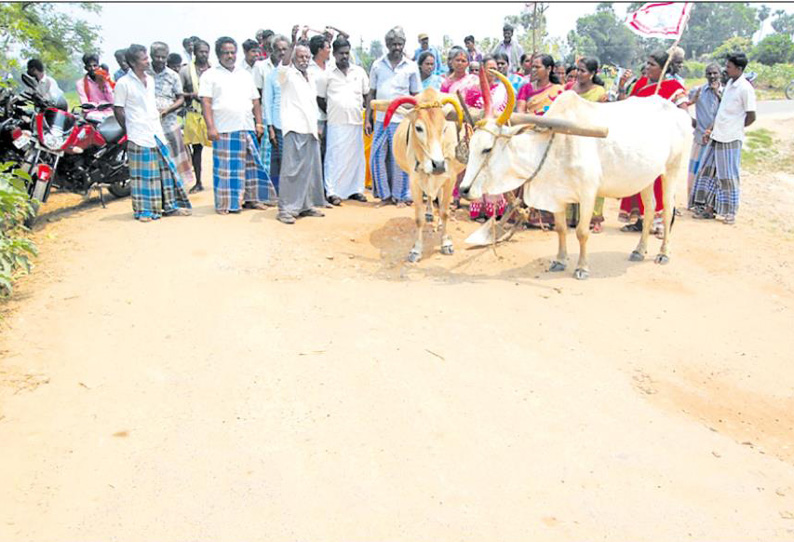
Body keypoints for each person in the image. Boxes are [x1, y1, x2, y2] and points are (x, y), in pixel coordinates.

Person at [113, 44, 191, 222]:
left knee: (165, 171)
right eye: (144, 58)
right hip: (138, 134)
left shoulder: (150, 80)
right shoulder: (123, 83)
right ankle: (145, 211)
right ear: (133, 62)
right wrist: (129, 130)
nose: (148, 61)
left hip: (156, 131)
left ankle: (170, 206)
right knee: (144, 176)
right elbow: (118, 110)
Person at [199, 36, 276, 214]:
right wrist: (211, 127)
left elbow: (256, 101)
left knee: (252, 166)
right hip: (224, 129)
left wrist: (259, 123)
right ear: (218, 55)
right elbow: (206, 103)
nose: (230, 56)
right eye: (225, 53)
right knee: (227, 171)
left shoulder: (244, 74)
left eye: (232, 52)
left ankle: (252, 200)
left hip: (247, 127)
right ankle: (227, 204)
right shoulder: (210, 75)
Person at [617, 50, 688, 233]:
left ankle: (661, 225)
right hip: (639, 144)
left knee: (660, 185)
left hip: (661, 145)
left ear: (664, 68)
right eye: (647, 63)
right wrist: (622, 87)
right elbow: (625, 108)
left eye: (652, 65)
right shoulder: (640, 84)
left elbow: (683, 115)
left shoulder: (674, 87)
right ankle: (640, 221)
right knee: (640, 182)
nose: (647, 67)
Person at [690, 52, 756, 225]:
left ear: (739, 69)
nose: (725, 69)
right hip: (716, 135)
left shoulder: (745, 88)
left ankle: (730, 212)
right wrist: (710, 129)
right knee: (709, 172)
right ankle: (708, 209)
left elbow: (751, 116)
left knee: (728, 176)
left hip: (731, 138)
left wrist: (735, 128)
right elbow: (721, 111)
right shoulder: (729, 86)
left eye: (729, 67)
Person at [275, 26, 326, 224]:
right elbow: (284, 63)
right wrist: (293, 40)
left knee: (308, 170)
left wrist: (317, 126)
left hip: (310, 129)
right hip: (293, 128)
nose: (304, 60)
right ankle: (285, 210)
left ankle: (305, 206)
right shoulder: (286, 75)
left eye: (306, 57)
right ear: (294, 58)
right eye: (300, 57)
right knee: (291, 171)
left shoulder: (310, 76)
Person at [365, 26, 420, 206]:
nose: (397, 47)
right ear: (387, 45)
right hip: (381, 118)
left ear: (404, 44)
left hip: (402, 119)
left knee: (400, 158)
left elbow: (416, 95)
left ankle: (401, 196)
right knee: (376, 156)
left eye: (400, 44)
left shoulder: (411, 66)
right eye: (393, 44)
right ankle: (384, 195)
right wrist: (368, 119)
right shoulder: (377, 65)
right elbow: (371, 93)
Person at [317, 37, 370, 206]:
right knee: (334, 157)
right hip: (335, 122)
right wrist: (334, 110)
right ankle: (332, 192)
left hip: (355, 121)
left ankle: (356, 190)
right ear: (334, 54)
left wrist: (367, 118)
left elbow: (367, 95)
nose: (344, 57)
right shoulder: (327, 75)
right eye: (341, 54)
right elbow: (320, 98)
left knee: (356, 157)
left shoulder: (359, 72)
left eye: (347, 53)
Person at [462, 56, 509, 221]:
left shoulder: (503, 90)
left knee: (495, 171)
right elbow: (469, 115)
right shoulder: (473, 90)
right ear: (482, 70)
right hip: (478, 137)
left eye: (495, 68)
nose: (493, 72)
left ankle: (494, 210)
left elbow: (507, 114)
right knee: (477, 170)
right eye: (489, 68)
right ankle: (477, 208)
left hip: (496, 138)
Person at [567, 57, 607, 233]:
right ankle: (572, 216)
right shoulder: (569, 89)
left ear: (592, 74)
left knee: (593, 180)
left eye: (583, 70)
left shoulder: (600, 93)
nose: (578, 73)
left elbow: (602, 118)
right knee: (571, 178)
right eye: (578, 69)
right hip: (570, 139)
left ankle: (594, 218)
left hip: (592, 142)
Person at [150, 42, 196, 191]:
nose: (160, 60)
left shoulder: (172, 75)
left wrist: (167, 110)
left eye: (163, 57)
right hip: (150, 123)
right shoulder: (145, 74)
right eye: (157, 56)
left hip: (169, 122)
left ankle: (178, 187)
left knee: (175, 154)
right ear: (151, 56)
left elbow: (180, 98)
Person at [685, 63, 722, 204]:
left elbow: (726, 111)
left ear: (720, 74)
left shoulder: (725, 93)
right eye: (709, 73)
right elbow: (683, 104)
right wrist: (692, 121)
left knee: (711, 174)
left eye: (715, 73)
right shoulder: (698, 91)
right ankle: (692, 201)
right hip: (700, 138)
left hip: (717, 140)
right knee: (694, 172)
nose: (712, 76)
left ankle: (707, 203)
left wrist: (718, 94)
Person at [179, 39, 212, 192]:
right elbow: (178, 93)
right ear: (194, 53)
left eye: (206, 52)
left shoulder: (214, 70)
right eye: (201, 52)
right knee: (197, 150)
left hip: (213, 114)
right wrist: (192, 95)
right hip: (194, 114)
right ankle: (198, 182)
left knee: (219, 148)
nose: (204, 55)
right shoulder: (186, 71)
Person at [263, 34, 290, 192]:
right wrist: (270, 127)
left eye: (285, 49)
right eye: (278, 49)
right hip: (278, 125)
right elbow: (267, 102)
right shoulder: (272, 75)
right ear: (272, 52)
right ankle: (277, 191)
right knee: (278, 161)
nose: (281, 52)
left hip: (293, 124)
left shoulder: (295, 73)